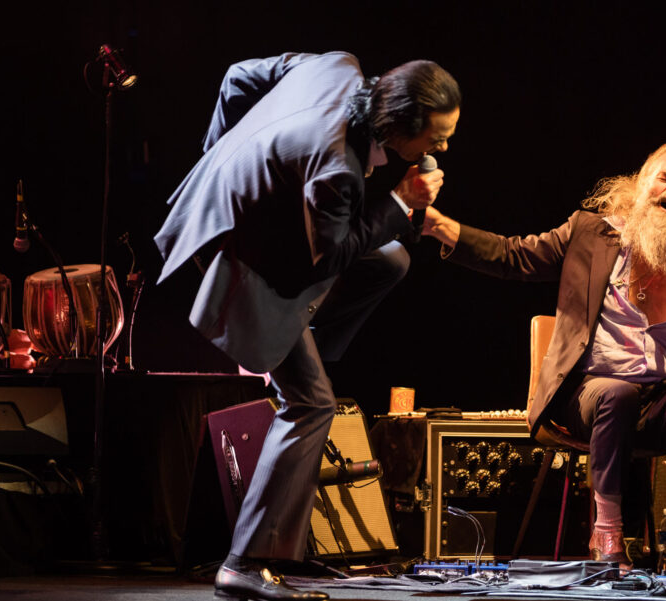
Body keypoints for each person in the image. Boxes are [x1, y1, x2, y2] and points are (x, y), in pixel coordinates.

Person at [154, 52, 460, 601]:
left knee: (391, 260)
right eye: (436, 138)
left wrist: (219, 151)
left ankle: (303, 340)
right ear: (399, 127)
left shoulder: (340, 66)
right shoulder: (338, 167)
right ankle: (245, 563)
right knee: (313, 403)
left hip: (251, 217)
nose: (441, 149)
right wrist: (399, 201)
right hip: (243, 256)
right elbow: (329, 258)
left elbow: (235, 76)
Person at [420, 140, 666, 575]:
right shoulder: (591, 234)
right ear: (640, 184)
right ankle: (606, 534)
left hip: (661, 402)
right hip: (590, 394)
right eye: (665, 178)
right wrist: (441, 227)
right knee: (617, 393)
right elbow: (515, 256)